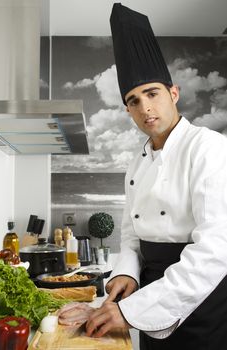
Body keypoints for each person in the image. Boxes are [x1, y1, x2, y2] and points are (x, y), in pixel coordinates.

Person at [86, 3, 227, 349]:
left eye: (152, 94)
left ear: (173, 93)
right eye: (133, 101)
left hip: (199, 303)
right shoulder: (138, 162)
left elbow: (215, 250)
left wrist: (131, 311)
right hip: (150, 298)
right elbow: (132, 234)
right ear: (127, 109)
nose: (145, 108)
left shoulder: (208, 147)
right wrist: (126, 273)